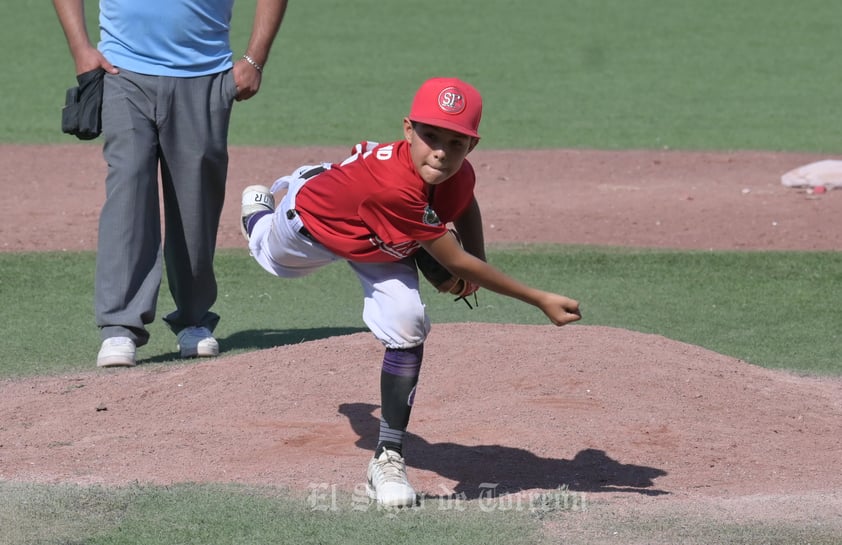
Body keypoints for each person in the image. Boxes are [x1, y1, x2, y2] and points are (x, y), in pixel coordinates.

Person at [239, 77, 582, 507]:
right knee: (271, 259)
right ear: (408, 130)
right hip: (313, 224)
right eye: (430, 135)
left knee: (407, 321)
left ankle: (387, 457)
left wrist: (478, 255)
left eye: (456, 142)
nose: (441, 150)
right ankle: (260, 210)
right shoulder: (394, 187)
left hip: (381, 241)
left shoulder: (456, 173)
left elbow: (465, 202)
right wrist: (539, 299)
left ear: (471, 147)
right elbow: (454, 262)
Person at [52, 0, 289, 367]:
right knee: (127, 192)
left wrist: (255, 60)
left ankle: (193, 320)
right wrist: (80, 48)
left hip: (206, 73)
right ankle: (119, 325)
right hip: (122, 71)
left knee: (196, 205)